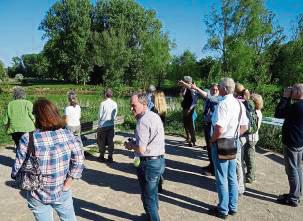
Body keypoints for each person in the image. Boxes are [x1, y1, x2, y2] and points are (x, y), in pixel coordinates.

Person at [11, 98, 84, 221]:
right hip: (62, 189)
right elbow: (79, 160)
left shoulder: (27, 138)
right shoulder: (68, 134)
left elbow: (16, 169)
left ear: (36, 117)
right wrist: (68, 182)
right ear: (55, 114)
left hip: (37, 193)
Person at [208, 78, 248, 219]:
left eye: (219, 85)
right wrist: (234, 136)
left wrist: (212, 140)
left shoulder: (223, 104)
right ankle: (233, 206)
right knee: (232, 176)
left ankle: (223, 209)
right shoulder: (239, 103)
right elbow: (244, 126)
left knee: (222, 177)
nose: (218, 87)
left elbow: (219, 129)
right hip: (234, 141)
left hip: (221, 143)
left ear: (224, 88)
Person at [124, 92, 165, 221]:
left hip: (148, 164)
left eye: (133, 105)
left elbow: (141, 149)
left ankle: (152, 217)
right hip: (159, 161)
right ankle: (151, 216)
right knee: (153, 195)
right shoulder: (154, 115)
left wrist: (131, 145)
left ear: (144, 104)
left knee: (148, 198)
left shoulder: (143, 121)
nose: (131, 108)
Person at [178, 80, 221, 175]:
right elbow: (196, 91)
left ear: (219, 91)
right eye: (213, 89)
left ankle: (213, 169)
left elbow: (204, 94)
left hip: (213, 126)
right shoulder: (209, 97)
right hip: (207, 124)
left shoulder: (219, 99)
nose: (214, 91)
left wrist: (195, 87)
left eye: (216, 90)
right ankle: (211, 165)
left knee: (212, 147)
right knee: (209, 148)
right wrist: (186, 85)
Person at [275, 84, 303, 207]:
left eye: (292, 90)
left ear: (297, 92)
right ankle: (297, 193)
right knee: (297, 168)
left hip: (292, 142)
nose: (289, 91)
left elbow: (279, 113)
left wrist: (285, 97)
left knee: (292, 170)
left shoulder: (296, 107)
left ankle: (293, 198)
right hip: (299, 142)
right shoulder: (298, 106)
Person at [243, 93, 263, 183]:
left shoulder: (253, 112)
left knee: (250, 157)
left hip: (251, 137)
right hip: (254, 137)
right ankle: (250, 174)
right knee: (249, 156)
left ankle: (251, 176)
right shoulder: (258, 111)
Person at [97, 88, 118, 163]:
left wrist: (99, 124)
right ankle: (110, 157)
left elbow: (99, 115)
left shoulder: (103, 103)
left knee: (101, 141)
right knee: (110, 141)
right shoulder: (115, 103)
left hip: (103, 125)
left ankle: (102, 156)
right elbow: (115, 114)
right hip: (111, 125)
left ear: (105, 94)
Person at [179, 76, 198, 147]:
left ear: (187, 81)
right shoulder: (185, 88)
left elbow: (194, 100)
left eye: (184, 81)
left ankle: (193, 140)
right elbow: (181, 95)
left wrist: (190, 109)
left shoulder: (193, 87)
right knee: (185, 124)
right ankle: (188, 138)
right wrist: (183, 88)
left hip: (190, 108)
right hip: (185, 108)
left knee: (191, 125)